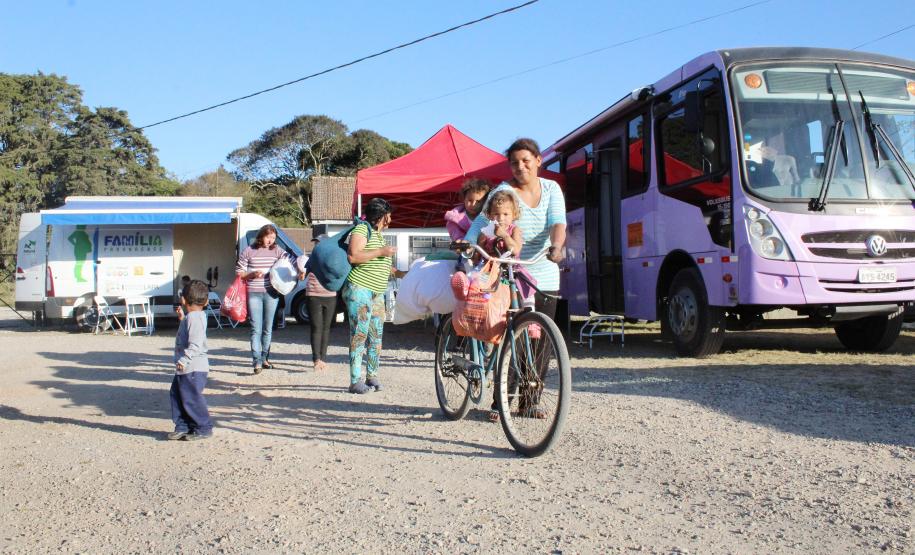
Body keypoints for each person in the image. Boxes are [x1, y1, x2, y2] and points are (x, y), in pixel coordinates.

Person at [464, 137, 567, 422]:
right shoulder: (503, 191)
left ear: (538, 161)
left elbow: (558, 222)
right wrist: (469, 243)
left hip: (543, 270)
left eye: (526, 160)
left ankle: (530, 402)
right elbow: (479, 223)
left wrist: (557, 247)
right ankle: (502, 401)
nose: (520, 166)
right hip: (511, 273)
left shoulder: (551, 188)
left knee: (542, 342)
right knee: (512, 340)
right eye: (514, 162)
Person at [342, 198, 406, 394]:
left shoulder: (379, 235)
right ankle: (355, 381)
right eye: (389, 214)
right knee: (359, 335)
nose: (391, 218)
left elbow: (379, 264)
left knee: (376, 336)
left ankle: (372, 375)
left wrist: (401, 273)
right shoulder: (362, 230)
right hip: (360, 289)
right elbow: (353, 256)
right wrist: (382, 251)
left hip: (377, 293)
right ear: (382, 215)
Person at [236, 224, 298, 374]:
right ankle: (256, 361)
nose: (271, 240)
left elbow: (293, 261)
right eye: (268, 237)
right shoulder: (248, 251)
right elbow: (239, 273)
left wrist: (300, 270)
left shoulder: (277, 250)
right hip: (254, 293)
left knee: (268, 328)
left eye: (273, 238)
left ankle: (265, 359)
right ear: (261, 236)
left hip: (272, 293)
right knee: (255, 328)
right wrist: (251, 275)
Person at [168, 279, 212, 441]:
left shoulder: (195, 318)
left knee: (191, 398)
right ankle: (183, 426)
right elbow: (190, 334)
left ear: (183, 300)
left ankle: (203, 427)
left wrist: (184, 360)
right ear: (206, 301)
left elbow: (195, 343)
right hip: (186, 367)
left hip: (193, 367)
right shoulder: (193, 317)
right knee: (177, 395)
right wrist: (182, 318)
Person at [303, 234, 336, 371]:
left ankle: (323, 358)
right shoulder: (310, 259)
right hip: (313, 295)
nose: (316, 245)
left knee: (326, 328)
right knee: (316, 327)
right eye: (315, 243)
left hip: (330, 295)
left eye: (319, 243)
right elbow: (302, 273)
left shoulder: (334, 258)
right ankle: (316, 359)